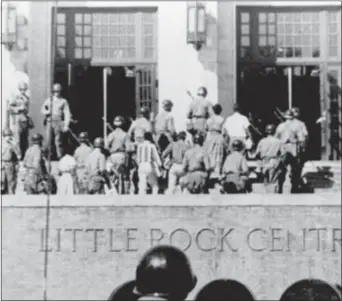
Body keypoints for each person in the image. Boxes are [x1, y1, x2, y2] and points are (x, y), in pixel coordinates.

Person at [275, 109, 306, 193]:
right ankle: (294, 188)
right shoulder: (297, 126)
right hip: (293, 148)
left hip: (283, 148)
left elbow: (276, 138)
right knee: (295, 168)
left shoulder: (280, 126)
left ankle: (280, 187)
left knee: (281, 168)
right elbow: (302, 138)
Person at [41, 83, 71, 160]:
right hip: (50, 121)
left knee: (58, 140)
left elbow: (67, 113)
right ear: (53, 91)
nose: (57, 93)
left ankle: (59, 156)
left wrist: (66, 125)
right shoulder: (49, 100)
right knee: (48, 140)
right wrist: (47, 112)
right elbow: (43, 109)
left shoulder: (63, 101)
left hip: (58, 121)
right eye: (55, 91)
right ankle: (47, 156)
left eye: (58, 91)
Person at [255, 124, 286, 193]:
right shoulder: (279, 142)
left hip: (264, 161)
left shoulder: (262, 141)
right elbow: (283, 153)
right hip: (274, 161)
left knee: (265, 180)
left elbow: (257, 153)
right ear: (274, 131)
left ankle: (267, 197)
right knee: (274, 180)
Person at [203, 104, 227, 189]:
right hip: (218, 137)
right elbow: (224, 131)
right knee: (218, 157)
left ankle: (210, 177)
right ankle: (216, 177)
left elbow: (205, 129)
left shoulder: (209, 120)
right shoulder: (221, 119)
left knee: (209, 156)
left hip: (210, 137)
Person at [8, 81, 33, 159]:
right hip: (18, 119)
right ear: (19, 89)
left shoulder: (27, 98)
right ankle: (18, 156)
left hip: (24, 120)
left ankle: (24, 155)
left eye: (24, 89)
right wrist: (18, 109)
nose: (23, 91)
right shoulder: (16, 97)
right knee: (17, 139)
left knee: (24, 139)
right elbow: (10, 108)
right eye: (22, 89)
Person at [106, 116, 130, 194]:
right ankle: (124, 193)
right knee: (124, 176)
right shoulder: (125, 135)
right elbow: (129, 148)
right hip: (122, 156)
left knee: (113, 175)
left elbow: (106, 146)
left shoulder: (111, 134)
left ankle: (114, 191)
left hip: (112, 156)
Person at [1, 128, 19, 194]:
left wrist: (15, 145)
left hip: (10, 163)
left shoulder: (12, 144)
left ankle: (11, 195)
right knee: (2, 181)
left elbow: (19, 154)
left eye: (9, 135)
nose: (8, 137)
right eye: (6, 135)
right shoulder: (1, 144)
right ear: (4, 136)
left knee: (11, 181)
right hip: (2, 163)